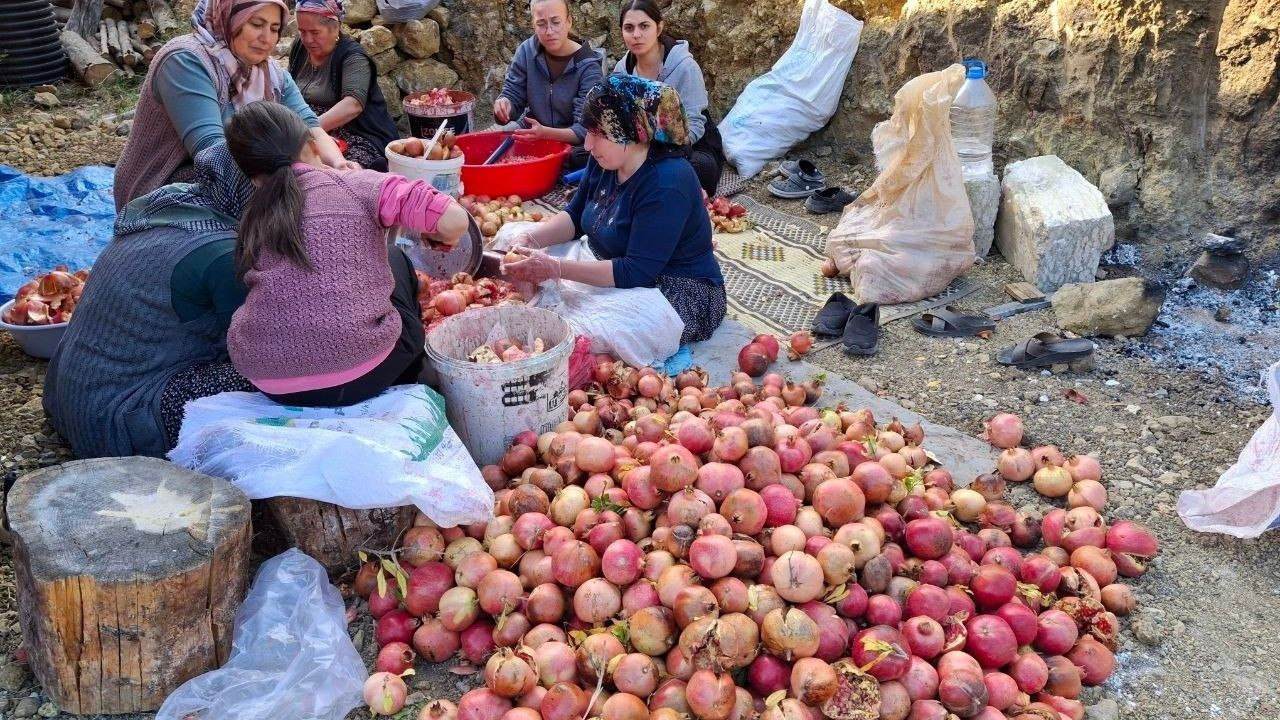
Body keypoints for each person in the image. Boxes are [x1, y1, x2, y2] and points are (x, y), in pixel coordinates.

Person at [224, 101, 470, 407]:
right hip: (360, 375)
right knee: (395, 258)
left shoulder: (253, 216)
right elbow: (456, 221)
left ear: (251, 176)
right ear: (314, 146)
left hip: (270, 380)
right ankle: (412, 375)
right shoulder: (357, 185)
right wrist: (434, 232)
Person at [44, 144, 257, 458]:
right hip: (115, 420)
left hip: (70, 399)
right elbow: (254, 351)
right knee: (274, 377)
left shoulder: (176, 201)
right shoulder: (223, 252)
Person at [502, 75, 726, 344]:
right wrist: (532, 239)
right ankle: (555, 296)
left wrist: (556, 268)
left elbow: (636, 271)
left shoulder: (668, 182)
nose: (587, 145)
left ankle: (562, 307)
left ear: (631, 135)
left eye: (598, 134)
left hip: (674, 289)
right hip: (607, 259)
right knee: (510, 235)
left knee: (592, 332)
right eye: (589, 133)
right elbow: (575, 217)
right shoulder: (606, 159)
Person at [113, 0, 356, 211]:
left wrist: (337, 164)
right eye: (257, 24)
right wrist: (307, 180)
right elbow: (211, 150)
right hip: (163, 183)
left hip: (239, 171)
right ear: (229, 18)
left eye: (274, 29)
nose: (267, 38)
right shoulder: (185, 60)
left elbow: (308, 124)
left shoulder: (270, 72)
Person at [612, 0, 724, 197]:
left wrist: (658, 150)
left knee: (699, 169)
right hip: (641, 144)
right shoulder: (622, 71)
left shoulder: (684, 66)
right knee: (587, 156)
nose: (636, 34)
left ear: (659, 28)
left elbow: (696, 125)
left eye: (644, 26)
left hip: (689, 143)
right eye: (629, 28)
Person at [288, 0, 399, 171]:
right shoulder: (300, 48)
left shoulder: (353, 57)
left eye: (315, 32)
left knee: (344, 171)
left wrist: (309, 129)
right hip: (312, 129)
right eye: (302, 32)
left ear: (335, 28)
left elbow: (353, 105)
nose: (307, 39)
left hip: (358, 133)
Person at [493, 0, 604, 171]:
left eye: (556, 22)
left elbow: (584, 129)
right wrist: (504, 105)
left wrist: (545, 133)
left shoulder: (588, 66)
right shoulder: (526, 51)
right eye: (541, 24)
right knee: (494, 142)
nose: (549, 31)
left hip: (571, 143)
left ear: (569, 21)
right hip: (533, 134)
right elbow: (513, 94)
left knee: (585, 156)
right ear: (533, 25)